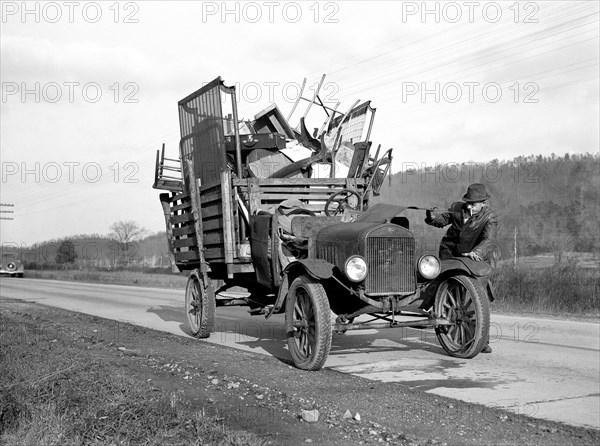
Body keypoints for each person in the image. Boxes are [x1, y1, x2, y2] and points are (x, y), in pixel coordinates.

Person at [425, 183, 498, 353]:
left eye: (474, 204)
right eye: (468, 203)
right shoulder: (458, 208)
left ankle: (481, 341)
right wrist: (432, 216)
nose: (470, 206)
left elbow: (489, 240)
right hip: (450, 253)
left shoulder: (490, 217)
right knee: (445, 287)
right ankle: (435, 310)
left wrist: (477, 252)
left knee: (476, 298)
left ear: (483, 203)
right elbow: (442, 220)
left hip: (475, 259)